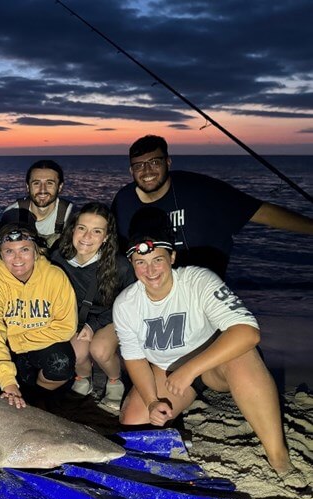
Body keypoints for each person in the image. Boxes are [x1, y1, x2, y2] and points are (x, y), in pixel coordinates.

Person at [114, 227, 298, 479]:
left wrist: (190, 370)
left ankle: (279, 456)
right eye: (141, 263)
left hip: (215, 364)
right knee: (134, 421)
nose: (150, 270)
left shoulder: (198, 280)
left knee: (242, 353)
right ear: (132, 265)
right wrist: (151, 401)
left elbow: (248, 332)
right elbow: (134, 358)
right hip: (166, 371)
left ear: (172, 258)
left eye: (157, 259)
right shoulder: (125, 304)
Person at [112, 134, 313, 278]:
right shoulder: (123, 201)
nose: (147, 170)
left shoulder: (201, 189)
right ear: (131, 170)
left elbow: (262, 212)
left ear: (168, 162)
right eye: (139, 165)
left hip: (203, 287)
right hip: (151, 288)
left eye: (155, 162)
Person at [0, 222, 77, 409]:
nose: (17, 258)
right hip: (8, 350)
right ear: (1, 253)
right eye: (9, 251)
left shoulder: (55, 277)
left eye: (24, 249)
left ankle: (36, 397)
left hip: (40, 346)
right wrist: (8, 382)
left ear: (36, 250)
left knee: (62, 363)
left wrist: (19, 340)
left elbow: (66, 327)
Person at [52, 202, 136, 411]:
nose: (87, 237)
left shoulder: (121, 266)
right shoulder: (58, 258)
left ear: (106, 237)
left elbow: (131, 303)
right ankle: (83, 378)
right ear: (73, 229)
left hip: (112, 317)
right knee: (76, 352)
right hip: (76, 318)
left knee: (99, 349)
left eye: (97, 231)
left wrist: (94, 324)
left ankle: (115, 381)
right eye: (82, 228)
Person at [3, 159, 73, 250]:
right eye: (36, 183)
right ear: (28, 187)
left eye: (49, 183)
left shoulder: (71, 214)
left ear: (60, 187)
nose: (42, 189)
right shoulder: (12, 213)